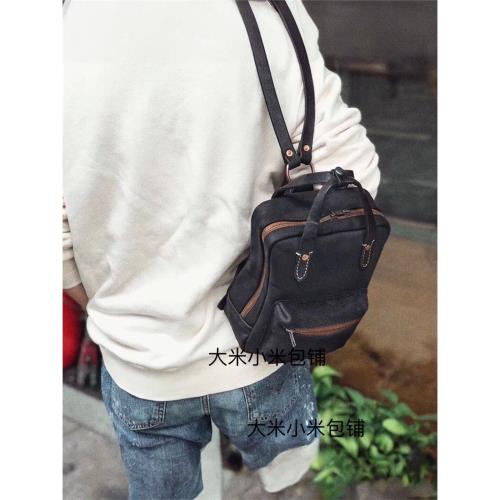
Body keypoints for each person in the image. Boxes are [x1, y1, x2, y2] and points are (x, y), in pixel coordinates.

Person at [63, 0, 380, 498]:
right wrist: (285, 277)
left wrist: (106, 306)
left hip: (137, 360)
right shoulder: (266, 11)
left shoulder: (60, 26)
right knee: (288, 468)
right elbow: (349, 164)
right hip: (260, 348)